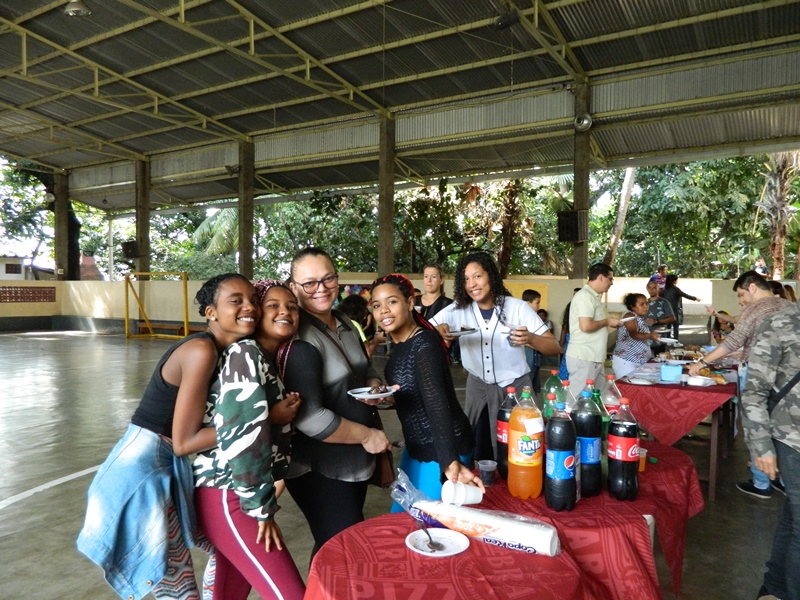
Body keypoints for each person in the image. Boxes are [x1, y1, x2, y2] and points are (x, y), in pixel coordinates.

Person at [78, 273, 259, 600]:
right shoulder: (201, 350)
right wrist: (259, 421)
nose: (250, 307)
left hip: (161, 467)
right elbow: (184, 442)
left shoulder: (222, 351)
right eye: (237, 301)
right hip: (142, 474)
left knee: (222, 547)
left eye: (253, 300)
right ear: (211, 312)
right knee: (178, 589)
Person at [193, 279, 306, 600]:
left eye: (292, 307)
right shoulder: (245, 353)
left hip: (236, 491)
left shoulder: (262, 357)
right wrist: (261, 509)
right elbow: (242, 437)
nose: (284, 312)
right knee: (290, 595)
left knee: (228, 592)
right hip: (229, 492)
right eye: (272, 305)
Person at [284, 247, 391, 557]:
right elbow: (309, 417)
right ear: (293, 287)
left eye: (328, 278)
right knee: (343, 548)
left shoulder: (343, 321)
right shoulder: (299, 338)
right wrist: (368, 436)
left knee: (331, 546)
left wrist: (374, 387)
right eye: (309, 283)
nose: (321, 288)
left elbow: (365, 368)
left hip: (355, 460)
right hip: (320, 468)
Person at [429, 252, 561, 462]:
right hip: (478, 391)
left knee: (524, 451)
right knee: (480, 454)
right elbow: (422, 332)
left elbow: (554, 347)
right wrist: (437, 331)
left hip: (518, 391)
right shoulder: (457, 310)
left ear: (490, 276)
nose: (472, 284)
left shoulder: (517, 308)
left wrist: (531, 338)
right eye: (466, 279)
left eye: (477, 276)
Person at [370, 273, 481, 510]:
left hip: (442, 447)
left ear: (410, 302)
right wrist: (387, 398)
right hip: (417, 447)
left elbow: (436, 403)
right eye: (377, 305)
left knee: (425, 521)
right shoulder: (401, 345)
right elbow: (414, 393)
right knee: (403, 517)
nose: (384, 310)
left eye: (392, 302)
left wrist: (449, 461)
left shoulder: (424, 344)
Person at [689, 271, 793, 498]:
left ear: (752, 287)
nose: (741, 300)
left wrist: (703, 362)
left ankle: (761, 482)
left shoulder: (755, 309)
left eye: (741, 294)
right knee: (781, 429)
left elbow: (734, 340)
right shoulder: (788, 306)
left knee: (757, 426)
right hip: (787, 383)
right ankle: (784, 480)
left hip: (758, 375)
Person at [741, 303, 800, 600]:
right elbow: (754, 391)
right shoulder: (780, 323)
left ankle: (775, 588)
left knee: (794, 516)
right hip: (792, 440)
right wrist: (761, 446)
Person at [565, 263, 622, 399]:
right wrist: (607, 322)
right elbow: (585, 326)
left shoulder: (594, 296)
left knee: (594, 398)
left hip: (594, 356)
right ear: (601, 277)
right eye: (610, 279)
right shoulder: (585, 296)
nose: (611, 283)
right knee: (577, 399)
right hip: (584, 356)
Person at [612, 293, 660, 379]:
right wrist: (650, 335)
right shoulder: (629, 316)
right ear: (632, 306)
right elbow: (633, 334)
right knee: (628, 385)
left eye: (646, 303)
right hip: (626, 360)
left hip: (638, 362)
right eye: (642, 304)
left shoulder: (640, 318)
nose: (645, 306)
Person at [662, 274, 702, 341]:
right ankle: (676, 341)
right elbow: (685, 295)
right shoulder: (675, 289)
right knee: (675, 326)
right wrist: (695, 298)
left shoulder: (665, 289)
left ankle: (667, 340)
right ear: (674, 281)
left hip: (667, 311)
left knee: (668, 326)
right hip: (675, 310)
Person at [645, 279, 675, 355]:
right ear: (647, 289)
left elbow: (672, 318)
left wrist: (657, 321)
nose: (651, 290)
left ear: (658, 289)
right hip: (645, 339)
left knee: (660, 359)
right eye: (649, 288)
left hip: (659, 339)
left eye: (654, 288)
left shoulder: (664, 302)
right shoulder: (644, 303)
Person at [522, 289, 543, 394]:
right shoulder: (522, 318)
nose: (538, 306)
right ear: (527, 303)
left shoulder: (534, 317)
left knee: (534, 379)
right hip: (527, 354)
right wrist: (537, 345)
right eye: (537, 303)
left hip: (535, 355)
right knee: (527, 381)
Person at [558, 287, 581, 380]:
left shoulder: (567, 325)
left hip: (569, 355)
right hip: (578, 355)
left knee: (566, 380)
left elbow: (561, 342)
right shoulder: (572, 307)